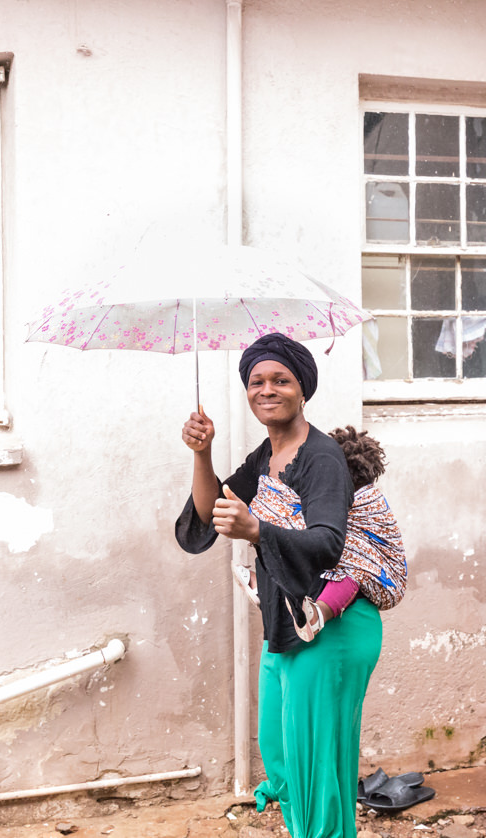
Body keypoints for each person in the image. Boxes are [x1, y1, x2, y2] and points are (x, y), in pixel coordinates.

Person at [176, 332, 382, 838]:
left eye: (280, 380)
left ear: (302, 389)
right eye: (256, 381)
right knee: (286, 764)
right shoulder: (267, 456)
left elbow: (328, 544)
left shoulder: (321, 458)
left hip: (331, 630)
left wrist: (257, 530)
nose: (266, 389)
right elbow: (209, 513)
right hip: (286, 624)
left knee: (317, 776)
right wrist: (203, 455)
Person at [238, 425, 407, 641]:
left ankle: (319, 613)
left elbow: (376, 542)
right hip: (290, 627)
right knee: (298, 543)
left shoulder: (366, 501)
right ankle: (268, 590)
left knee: (353, 569)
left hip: (369, 582)